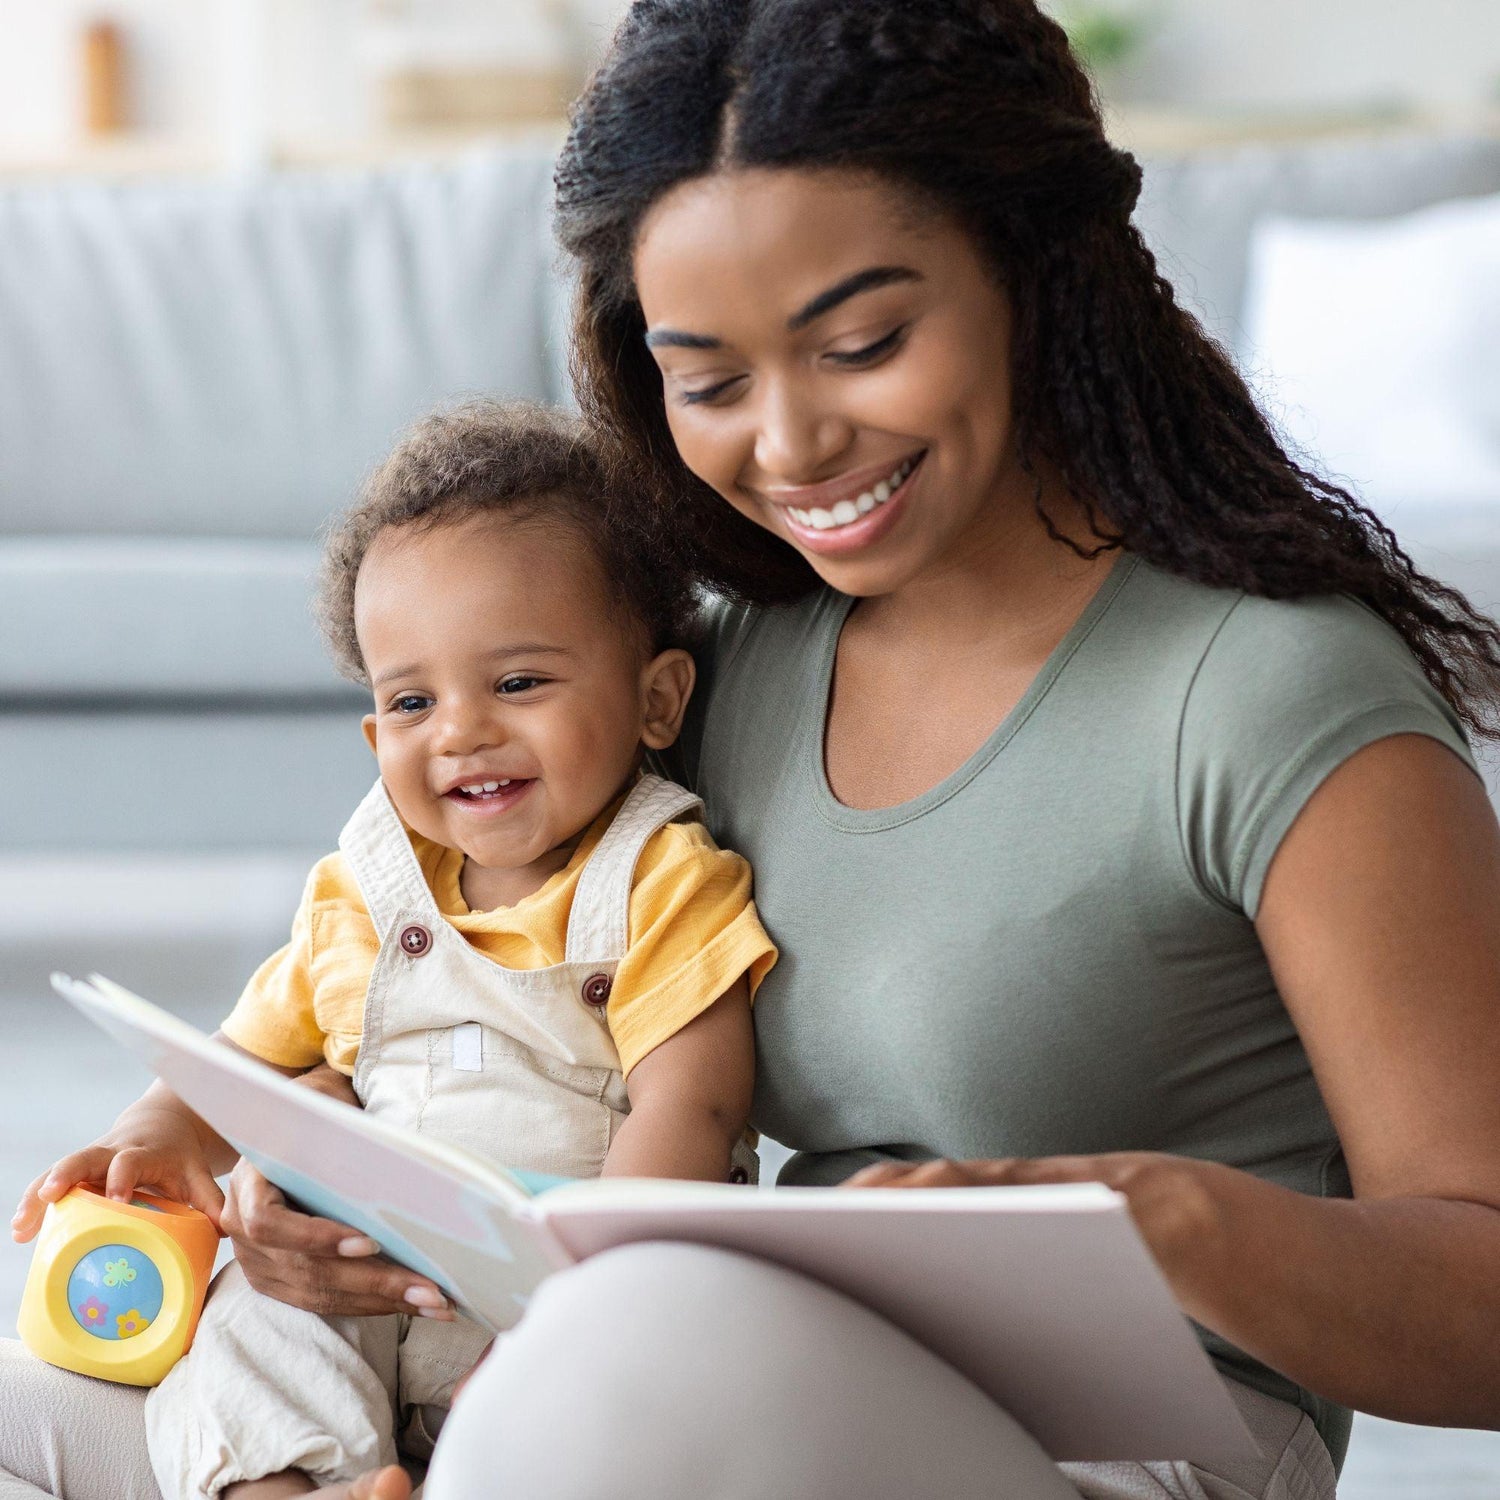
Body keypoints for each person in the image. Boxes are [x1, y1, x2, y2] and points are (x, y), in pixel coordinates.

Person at [5, 402, 774, 1499]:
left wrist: (577, 1310)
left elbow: (689, 1113)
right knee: (243, 1328)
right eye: (413, 700)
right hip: (363, 1290)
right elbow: (243, 1064)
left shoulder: (664, 879)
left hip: (570, 1294)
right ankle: (294, 1488)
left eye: (517, 683)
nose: (460, 730)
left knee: (637, 1411)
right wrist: (154, 1135)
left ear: (656, 699)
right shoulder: (364, 892)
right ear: (376, 736)